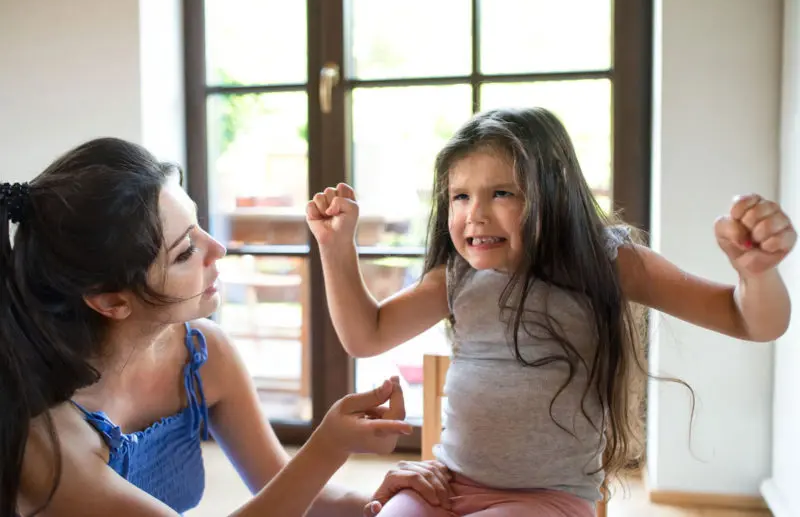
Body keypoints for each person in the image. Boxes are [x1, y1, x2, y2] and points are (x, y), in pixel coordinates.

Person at [306, 107, 797, 516]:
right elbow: (365, 336)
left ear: (553, 193)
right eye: (460, 196)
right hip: (445, 483)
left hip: (546, 499)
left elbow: (749, 321)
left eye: (502, 192)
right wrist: (335, 246)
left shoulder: (608, 261)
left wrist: (756, 273)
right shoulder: (458, 277)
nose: (475, 212)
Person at [0, 137, 451, 517]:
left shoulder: (201, 353)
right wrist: (329, 447)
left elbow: (291, 493)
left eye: (198, 226)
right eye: (184, 252)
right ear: (112, 300)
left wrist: (385, 502)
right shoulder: (48, 437)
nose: (217, 249)